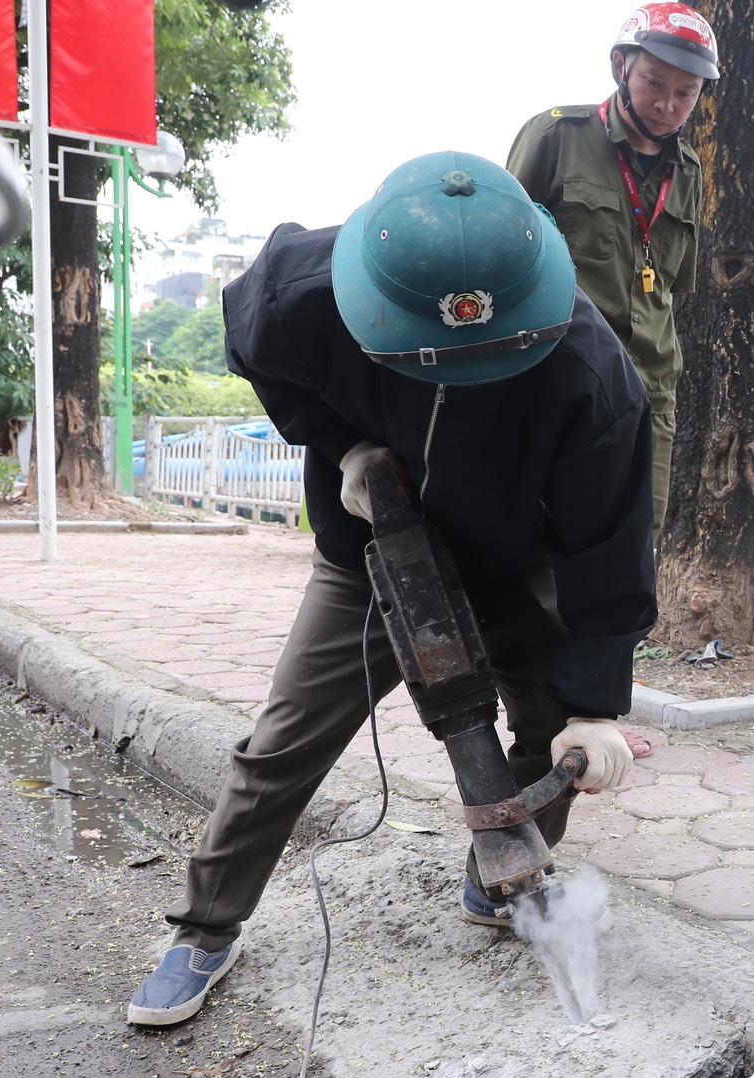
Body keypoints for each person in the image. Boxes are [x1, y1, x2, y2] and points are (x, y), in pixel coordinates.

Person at [127, 151, 657, 1026]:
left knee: (548, 720)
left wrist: (596, 708)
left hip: (511, 559)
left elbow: (611, 540)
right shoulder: (300, 294)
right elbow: (259, 357)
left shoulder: (589, 374)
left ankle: (502, 876)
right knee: (286, 739)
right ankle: (204, 927)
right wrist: (344, 449)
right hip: (368, 549)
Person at [507, 2, 719, 540]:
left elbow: (670, 288)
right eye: (654, 83)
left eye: (686, 93)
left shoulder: (689, 172)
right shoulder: (556, 135)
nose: (667, 105)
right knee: (541, 539)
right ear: (620, 65)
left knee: (635, 544)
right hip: (560, 380)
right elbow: (504, 259)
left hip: (651, 391)